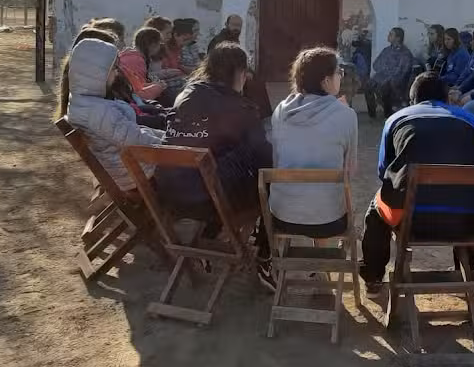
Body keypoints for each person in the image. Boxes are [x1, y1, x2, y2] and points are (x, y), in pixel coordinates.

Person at [360, 73, 474, 296]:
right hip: (462, 223)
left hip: (409, 221)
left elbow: (384, 172)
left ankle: (373, 279)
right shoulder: (470, 121)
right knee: (469, 198)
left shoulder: (396, 119)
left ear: (413, 98)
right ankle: (467, 273)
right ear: (447, 98)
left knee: (375, 212)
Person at [157, 42, 275, 289]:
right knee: (269, 180)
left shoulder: (185, 95)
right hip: (210, 199)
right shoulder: (240, 108)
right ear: (240, 73)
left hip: (169, 193)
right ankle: (266, 253)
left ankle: (207, 238)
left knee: (219, 165)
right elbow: (264, 158)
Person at [268, 47, 359, 238]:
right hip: (328, 221)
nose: (341, 77)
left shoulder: (280, 111)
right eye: (338, 73)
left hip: (282, 216)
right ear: (326, 80)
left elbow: (276, 161)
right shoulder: (346, 115)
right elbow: (350, 170)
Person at [62, 38, 163, 193]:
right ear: (97, 73)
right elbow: (136, 140)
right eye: (114, 68)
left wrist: (165, 136)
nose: (118, 72)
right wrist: (170, 143)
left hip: (122, 169)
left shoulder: (82, 102)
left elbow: (131, 132)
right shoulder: (98, 111)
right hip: (135, 175)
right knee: (185, 172)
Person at [364, 27, 414, 119]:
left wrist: (389, 73)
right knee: (368, 85)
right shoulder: (386, 50)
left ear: (398, 38)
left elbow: (403, 71)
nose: (388, 36)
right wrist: (384, 70)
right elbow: (376, 64)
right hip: (382, 77)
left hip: (395, 80)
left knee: (385, 86)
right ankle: (372, 114)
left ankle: (388, 114)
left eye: (391, 34)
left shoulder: (405, 53)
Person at [119, 27, 169, 103]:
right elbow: (139, 89)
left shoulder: (128, 55)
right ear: (153, 45)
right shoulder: (137, 60)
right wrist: (159, 86)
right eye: (159, 44)